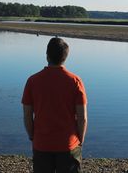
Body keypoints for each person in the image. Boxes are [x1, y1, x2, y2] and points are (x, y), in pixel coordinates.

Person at [22, 37, 88, 173]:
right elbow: (82, 118)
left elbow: (27, 115)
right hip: (68, 145)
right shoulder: (75, 81)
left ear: (47, 55)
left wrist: (32, 136)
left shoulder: (33, 81)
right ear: (66, 57)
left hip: (41, 144)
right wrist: (80, 140)